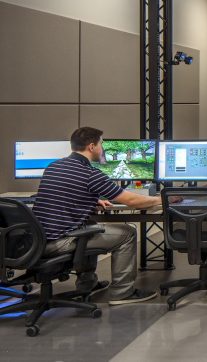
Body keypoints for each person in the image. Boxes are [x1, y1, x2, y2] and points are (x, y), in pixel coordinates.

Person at [33, 127, 165, 305]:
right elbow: (133, 201)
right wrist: (161, 200)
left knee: (90, 223)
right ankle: (123, 293)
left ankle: (88, 284)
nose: (102, 149)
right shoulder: (91, 174)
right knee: (127, 233)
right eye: (101, 145)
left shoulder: (53, 166)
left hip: (39, 239)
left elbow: (62, 195)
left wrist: (91, 201)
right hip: (59, 242)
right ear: (92, 146)